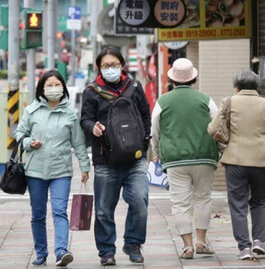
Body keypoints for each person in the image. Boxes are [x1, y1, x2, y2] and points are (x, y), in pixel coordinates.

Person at [80, 47, 151, 266]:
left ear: (122, 64)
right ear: (99, 68)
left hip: (135, 158)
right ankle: (106, 251)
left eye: (114, 64)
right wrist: (93, 127)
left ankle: (133, 243)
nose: (111, 68)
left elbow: (145, 115)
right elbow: (85, 120)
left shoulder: (134, 87)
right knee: (103, 210)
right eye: (106, 65)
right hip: (105, 160)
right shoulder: (91, 91)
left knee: (140, 200)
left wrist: (144, 144)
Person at [14, 70, 90, 267]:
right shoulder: (32, 110)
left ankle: (61, 252)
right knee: (38, 214)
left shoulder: (71, 113)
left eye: (57, 85)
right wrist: (30, 142)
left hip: (61, 171)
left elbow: (79, 143)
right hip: (35, 171)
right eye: (50, 85)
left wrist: (84, 167)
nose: (54, 88)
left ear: (63, 88)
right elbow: (19, 134)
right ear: (42, 88)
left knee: (59, 211)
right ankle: (41, 253)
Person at [151, 58, 219, 259]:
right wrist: (219, 150)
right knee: (203, 199)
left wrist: (158, 151)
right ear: (194, 78)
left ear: (172, 80)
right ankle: (201, 242)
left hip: (174, 159)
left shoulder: (163, 101)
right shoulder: (205, 99)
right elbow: (217, 127)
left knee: (179, 203)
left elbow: (155, 131)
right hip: (204, 157)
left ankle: (187, 246)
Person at [208, 69, 265, 260]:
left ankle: (244, 248)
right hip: (262, 160)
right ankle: (259, 241)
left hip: (235, 161)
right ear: (257, 87)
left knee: (238, 204)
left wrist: (225, 139)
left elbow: (214, 128)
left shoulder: (229, 101)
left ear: (237, 87)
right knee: (260, 201)